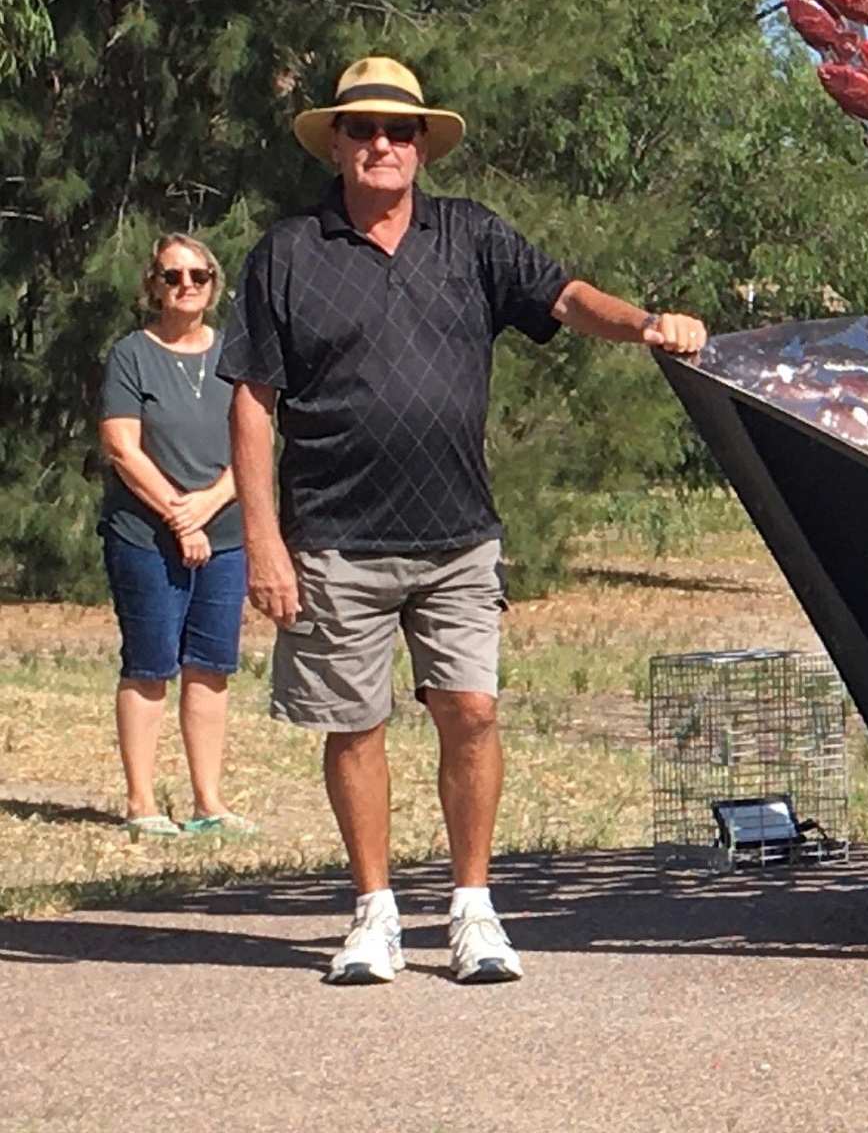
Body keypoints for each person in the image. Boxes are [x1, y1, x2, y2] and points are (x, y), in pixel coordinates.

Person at [219, 56, 707, 986]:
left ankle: (474, 911)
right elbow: (252, 401)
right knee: (354, 726)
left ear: (422, 146)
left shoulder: (470, 237)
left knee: (472, 714)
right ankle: (373, 915)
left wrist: (645, 323)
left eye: (399, 130)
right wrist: (264, 540)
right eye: (361, 128)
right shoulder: (288, 253)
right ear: (335, 142)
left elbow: (565, 298)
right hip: (333, 536)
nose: (381, 145)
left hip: (457, 535)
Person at [98, 233, 253, 837]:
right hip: (144, 533)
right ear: (153, 286)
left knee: (211, 666)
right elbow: (120, 446)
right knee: (150, 664)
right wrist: (176, 515)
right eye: (172, 276)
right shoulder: (132, 355)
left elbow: (255, 442)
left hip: (227, 532)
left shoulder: (237, 354)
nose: (185, 285)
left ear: (214, 284)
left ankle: (208, 802)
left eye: (198, 275)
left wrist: (209, 505)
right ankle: (141, 802)